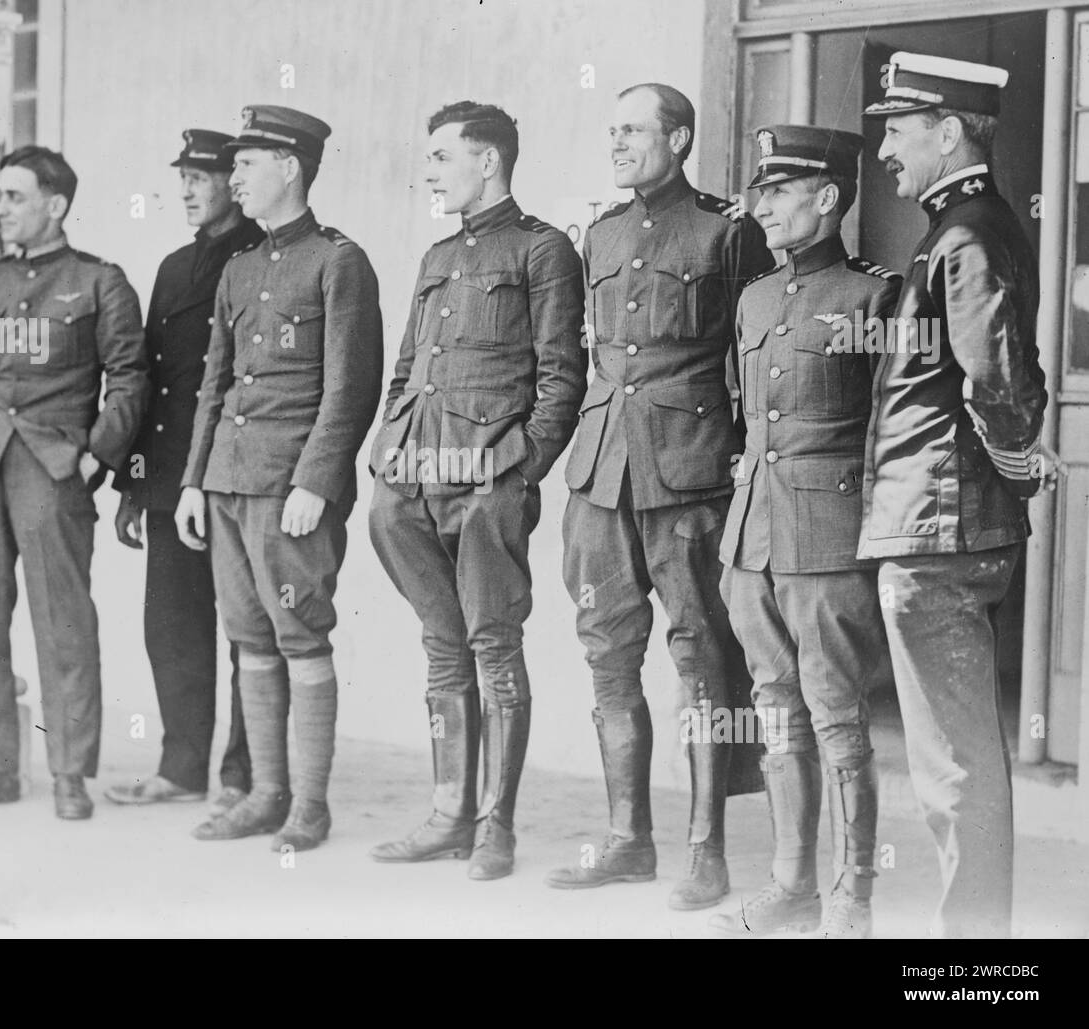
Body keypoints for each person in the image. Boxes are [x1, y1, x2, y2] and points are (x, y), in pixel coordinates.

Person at [547, 82, 774, 907]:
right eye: (612, 132)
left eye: (634, 130)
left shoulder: (728, 229)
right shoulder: (600, 233)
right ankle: (626, 837)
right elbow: (584, 355)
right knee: (608, 654)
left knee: (702, 659)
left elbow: (759, 352)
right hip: (600, 476)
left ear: (678, 140)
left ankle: (706, 846)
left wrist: (752, 459)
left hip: (691, 471)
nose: (618, 144)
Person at [860, 52, 1054, 938]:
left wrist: (1017, 462)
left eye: (898, 131)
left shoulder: (966, 234)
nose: (886, 151)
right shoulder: (960, 228)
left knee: (953, 768)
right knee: (956, 760)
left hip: (938, 525)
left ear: (949, 133)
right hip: (935, 518)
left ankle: (974, 963)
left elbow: (996, 382)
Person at [366, 102, 586, 880]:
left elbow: (562, 378)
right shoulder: (435, 257)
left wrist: (518, 470)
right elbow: (406, 368)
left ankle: (495, 825)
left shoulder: (544, 250)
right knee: (440, 643)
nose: (427, 170)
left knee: (493, 644)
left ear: (487, 161)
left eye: (439, 156)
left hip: (486, 478)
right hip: (412, 479)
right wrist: (386, 448)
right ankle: (447, 812)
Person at [0, 146, 148, 820]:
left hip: (52, 469)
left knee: (63, 620)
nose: (1, 209)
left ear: (57, 205)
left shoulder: (100, 282)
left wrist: (96, 453)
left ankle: (71, 771)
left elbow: (130, 378)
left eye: (15, 197)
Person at [708, 125, 899, 939]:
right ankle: (792, 887)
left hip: (829, 539)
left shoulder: (874, 298)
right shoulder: (753, 296)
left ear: (827, 198)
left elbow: (893, 433)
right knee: (774, 709)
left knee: (835, 715)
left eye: (781, 192)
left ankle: (853, 898)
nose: (764, 206)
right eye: (761, 191)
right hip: (752, 542)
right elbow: (741, 415)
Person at [177, 105, 383, 852]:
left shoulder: (338, 261)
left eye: (247, 163)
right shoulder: (239, 268)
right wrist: (194, 480)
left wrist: (316, 482)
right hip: (230, 481)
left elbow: (350, 388)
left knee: (300, 636)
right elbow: (213, 383)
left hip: (289, 486)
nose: (232, 177)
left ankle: (310, 805)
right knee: (249, 638)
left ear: (290, 167)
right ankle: (266, 792)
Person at [105, 130, 263, 811]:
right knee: (171, 622)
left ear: (236, 179)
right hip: (171, 478)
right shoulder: (173, 267)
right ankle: (182, 766)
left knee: (249, 628)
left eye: (203, 176)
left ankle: (244, 774)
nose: (189, 190)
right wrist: (134, 484)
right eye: (184, 178)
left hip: (234, 474)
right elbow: (154, 379)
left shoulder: (261, 255)